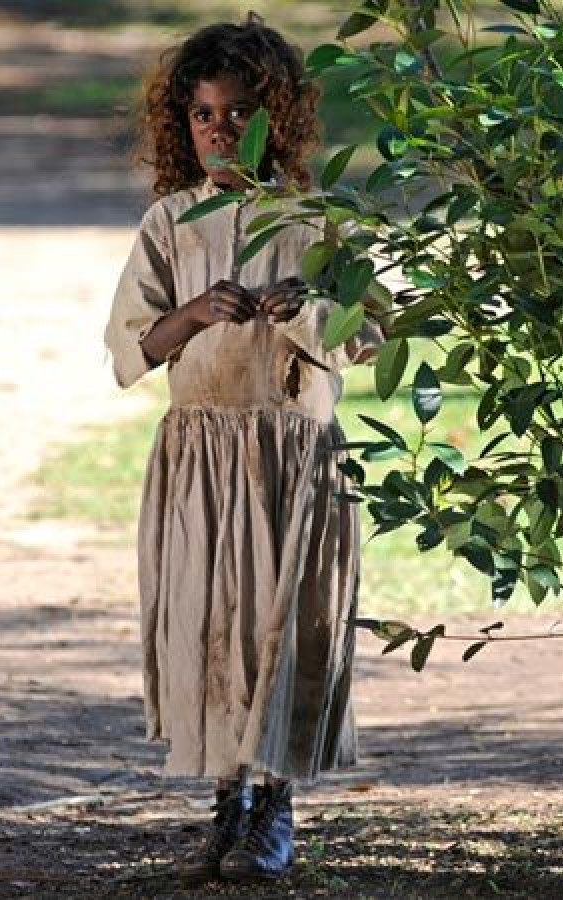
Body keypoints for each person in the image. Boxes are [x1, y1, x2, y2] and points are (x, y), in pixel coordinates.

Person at [103, 13, 382, 885]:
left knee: (282, 627)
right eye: (204, 116)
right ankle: (230, 798)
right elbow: (128, 350)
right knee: (212, 622)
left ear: (281, 118)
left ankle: (277, 805)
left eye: (240, 114)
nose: (222, 132)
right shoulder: (170, 222)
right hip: (203, 462)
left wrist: (301, 308)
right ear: (181, 124)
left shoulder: (319, 221)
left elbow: (368, 334)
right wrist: (191, 314)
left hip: (293, 462)